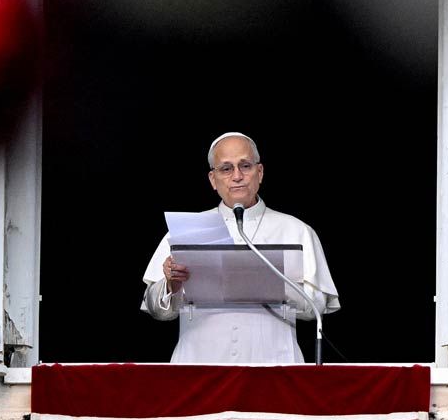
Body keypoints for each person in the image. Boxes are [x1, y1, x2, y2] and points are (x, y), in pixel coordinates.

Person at [140, 131, 339, 363]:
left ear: (260, 172)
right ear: (213, 179)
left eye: (245, 166)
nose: (237, 176)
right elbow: (156, 310)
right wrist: (171, 285)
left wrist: (272, 284)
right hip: (200, 365)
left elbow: (317, 307)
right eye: (226, 168)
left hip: (274, 364)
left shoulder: (297, 230)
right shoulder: (185, 231)